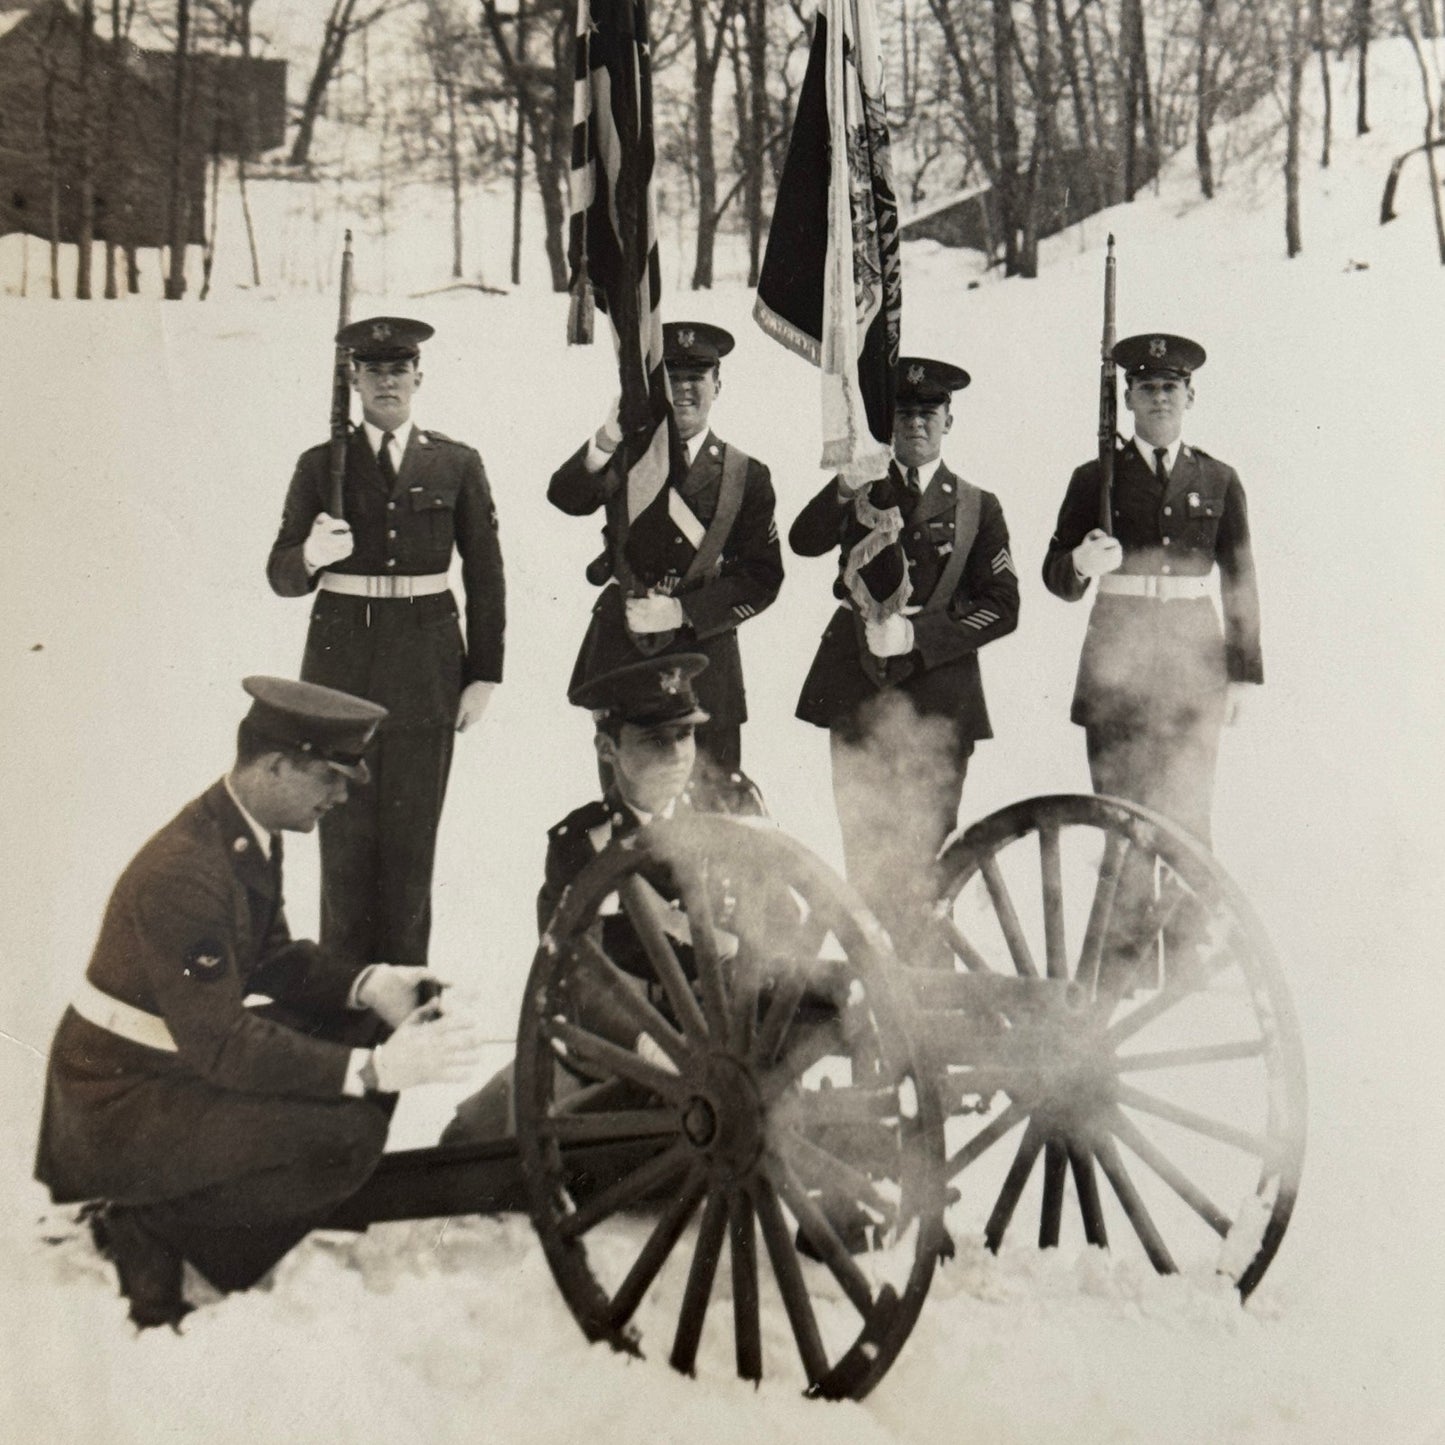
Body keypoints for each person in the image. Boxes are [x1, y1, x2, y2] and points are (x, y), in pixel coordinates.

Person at [35, 677, 486, 1329]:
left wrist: (371, 985)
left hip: (166, 1060)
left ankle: (217, 1209)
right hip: (119, 1103)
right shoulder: (187, 873)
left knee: (362, 1028)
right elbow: (222, 1043)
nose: (342, 795)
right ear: (276, 765)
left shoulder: (241, 830)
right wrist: (370, 1071)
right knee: (348, 1136)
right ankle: (146, 1231)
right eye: (331, 777)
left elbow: (270, 955)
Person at [442, 653, 763, 1142]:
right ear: (607, 748)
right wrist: (652, 1047)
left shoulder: (735, 810)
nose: (677, 756)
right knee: (477, 1141)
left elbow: (778, 925)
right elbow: (578, 980)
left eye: (685, 735)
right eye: (655, 740)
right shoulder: (583, 843)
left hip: (732, 1038)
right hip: (625, 1050)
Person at [267, 316, 505, 969]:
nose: (387, 382)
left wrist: (484, 674)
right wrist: (312, 554)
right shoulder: (320, 465)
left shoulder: (455, 463)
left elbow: (485, 575)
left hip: (427, 676)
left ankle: (400, 1017)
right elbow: (279, 573)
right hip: (337, 677)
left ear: (418, 378)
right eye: (373, 371)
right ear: (353, 380)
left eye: (399, 370)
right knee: (343, 856)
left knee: (409, 857)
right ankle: (344, 1015)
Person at [789, 357, 1019, 952]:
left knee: (929, 860)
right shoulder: (862, 484)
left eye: (929, 413)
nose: (916, 424)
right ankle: (874, 988)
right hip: (857, 688)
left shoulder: (977, 506)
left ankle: (924, 988)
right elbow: (802, 539)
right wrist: (844, 481)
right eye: (904, 413)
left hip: (940, 700)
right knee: (863, 853)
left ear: (949, 419)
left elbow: (1003, 605)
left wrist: (921, 637)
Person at [1041, 332, 1262, 849]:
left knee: (1188, 827)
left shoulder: (1218, 478)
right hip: (1115, 670)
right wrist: (1079, 562)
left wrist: (1242, 674)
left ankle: (1189, 934)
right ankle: (1122, 934)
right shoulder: (1094, 478)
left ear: (1190, 396)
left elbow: (1240, 578)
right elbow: (1055, 574)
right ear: (1127, 399)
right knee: (1119, 825)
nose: (1159, 397)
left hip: (1194, 670)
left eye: (1170, 386)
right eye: (1146, 387)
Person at [547, 321, 783, 777]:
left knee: (713, 817)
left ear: (718, 384)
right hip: (626, 649)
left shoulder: (746, 474)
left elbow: (762, 578)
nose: (683, 390)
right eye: (670, 378)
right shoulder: (625, 454)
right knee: (633, 810)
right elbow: (566, 497)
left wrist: (683, 612)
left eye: (696, 377)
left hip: (707, 662)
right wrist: (607, 438)